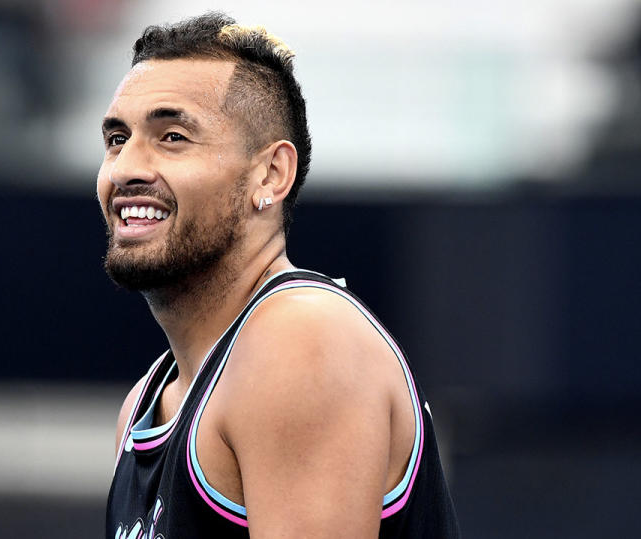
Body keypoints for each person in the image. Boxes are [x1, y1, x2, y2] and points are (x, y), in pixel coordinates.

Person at [98, 12, 459, 539]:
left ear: (270, 174)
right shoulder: (142, 407)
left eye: (172, 136)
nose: (126, 167)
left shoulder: (301, 340)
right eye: (116, 139)